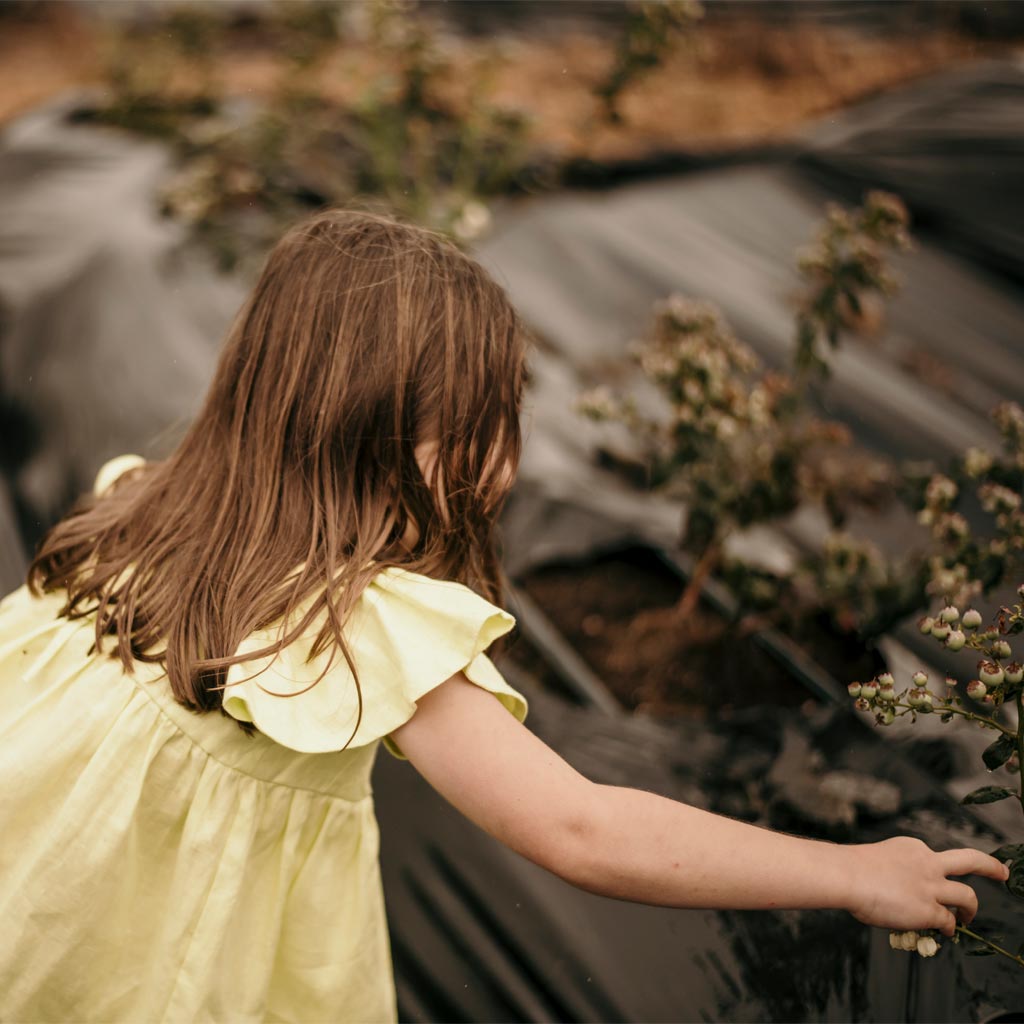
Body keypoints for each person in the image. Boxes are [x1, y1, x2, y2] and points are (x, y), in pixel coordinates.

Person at [0, 206, 1009, 1023]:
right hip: (165, 973)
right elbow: (580, 826)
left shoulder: (134, 511)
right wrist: (848, 871)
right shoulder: (356, 625)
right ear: (372, 428)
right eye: (479, 429)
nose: (507, 466)